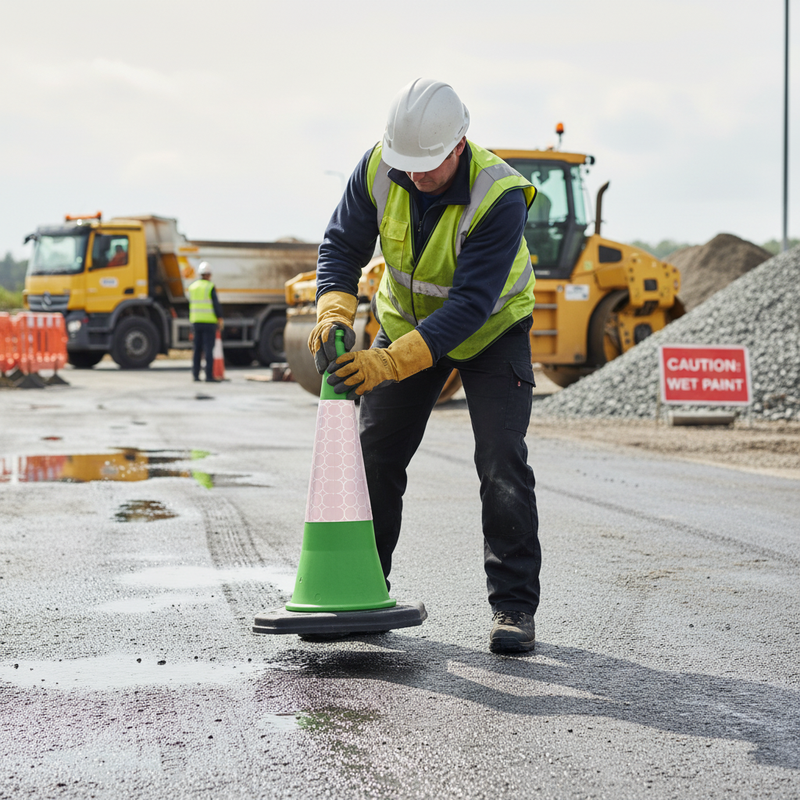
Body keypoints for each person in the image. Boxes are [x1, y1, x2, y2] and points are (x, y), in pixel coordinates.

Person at [309, 78, 542, 654]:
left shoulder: (499, 195)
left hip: (491, 331)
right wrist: (335, 310)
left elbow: (468, 305)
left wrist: (388, 362)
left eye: (428, 167)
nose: (414, 177)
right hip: (404, 322)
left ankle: (513, 609)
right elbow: (341, 247)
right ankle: (364, 589)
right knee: (375, 455)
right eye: (405, 165)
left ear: (458, 146)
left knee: (501, 460)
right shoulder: (378, 168)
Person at [188, 261, 223, 382]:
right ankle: (209, 376)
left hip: (196, 322)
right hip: (209, 322)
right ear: (209, 274)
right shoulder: (210, 287)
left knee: (197, 349)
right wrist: (220, 318)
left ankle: (195, 375)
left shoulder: (193, 287)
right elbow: (216, 305)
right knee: (208, 350)